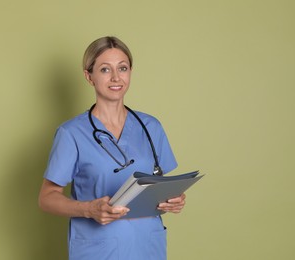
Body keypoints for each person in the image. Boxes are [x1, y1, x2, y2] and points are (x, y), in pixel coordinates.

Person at [38, 36, 186, 260]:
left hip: (147, 246)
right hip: (98, 250)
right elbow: (47, 198)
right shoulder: (72, 134)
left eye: (123, 68)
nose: (116, 77)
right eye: (105, 70)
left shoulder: (150, 127)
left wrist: (173, 199)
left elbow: (159, 191)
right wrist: (89, 210)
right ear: (89, 77)